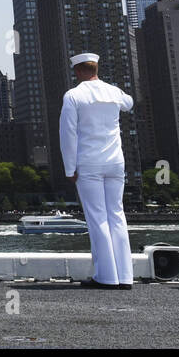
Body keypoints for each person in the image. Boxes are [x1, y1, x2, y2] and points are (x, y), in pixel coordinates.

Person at [59, 52, 135, 290]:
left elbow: (68, 135)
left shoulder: (73, 95)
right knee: (117, 215)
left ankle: (107, 276)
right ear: (96, 69)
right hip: (115, 162)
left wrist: (69, 168)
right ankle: (125, 276)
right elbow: (129, 103)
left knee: (97, 218)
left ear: (78, 71)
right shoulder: (113, 93)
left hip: (89, 163)